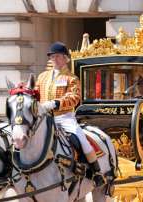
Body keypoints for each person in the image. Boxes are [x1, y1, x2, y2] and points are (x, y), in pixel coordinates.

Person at [35, 41, 105, 186]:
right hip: (44, 118)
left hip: (64, 117)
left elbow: (74, 97)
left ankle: (96, 172)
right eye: (52, 57)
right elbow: (35, 94)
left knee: (82, 140)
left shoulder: (72, 78)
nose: (55, 59)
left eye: (58, 56)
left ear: (65, 58)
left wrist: (56, 103)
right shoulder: (42, 77)